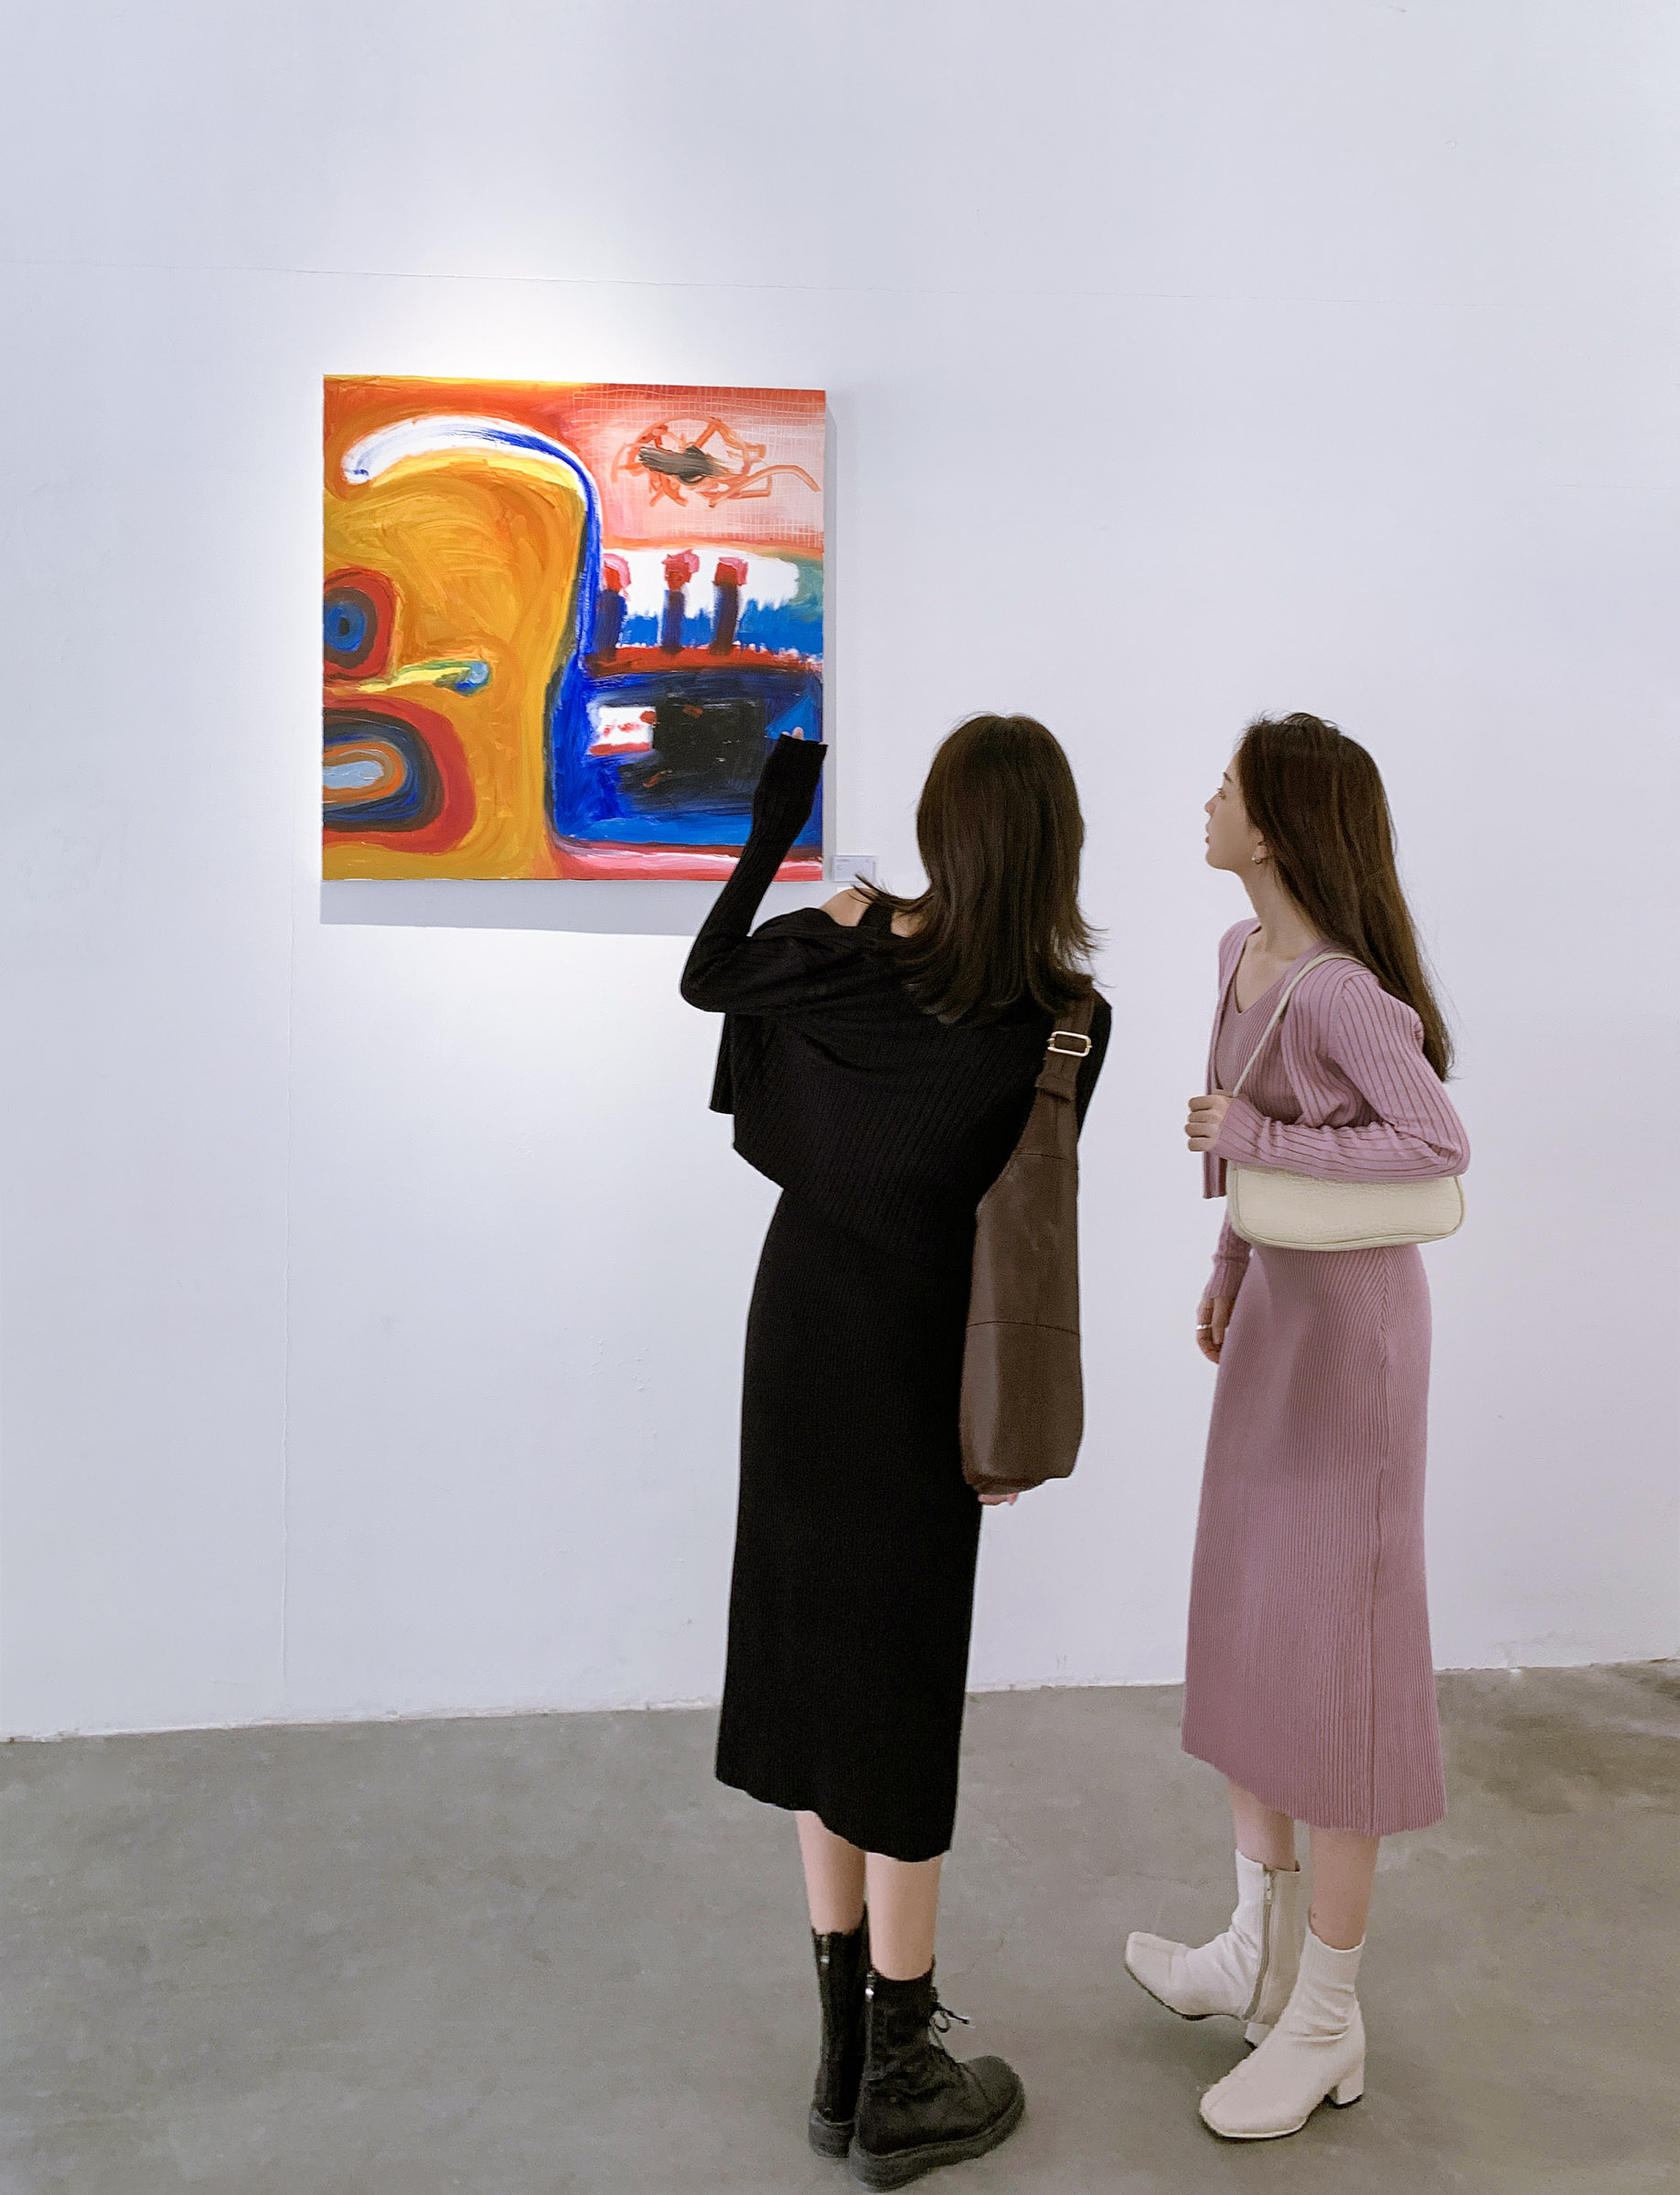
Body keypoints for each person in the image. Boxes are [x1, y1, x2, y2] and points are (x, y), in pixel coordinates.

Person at [682, 718, 1110, 2187]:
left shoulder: (845, 951)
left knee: (821, 1679)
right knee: (899, 1702)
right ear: (1054, 843)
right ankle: (902, 2068)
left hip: (800, 1335)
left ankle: (839, 2061)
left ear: (938, 825)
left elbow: (708, 978)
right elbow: (1014, 1201)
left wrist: (777, 837)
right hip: (925, 1367)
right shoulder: (1065, 1015)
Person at [1123, 711, 1470, 2141]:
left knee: (1339, 1660)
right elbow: (1244, 1135)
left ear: (1270, 825)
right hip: (1274, 1317)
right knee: (1252, 1625)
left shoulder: (1340, 993)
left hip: (1354, 1348)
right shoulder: (1236, 955)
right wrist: (1225, 1262)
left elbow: (1435, 1141)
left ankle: (1324, 2014)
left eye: (1225, 788)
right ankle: (1253, 1956)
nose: (1204, 803)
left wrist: (1252, 1144)